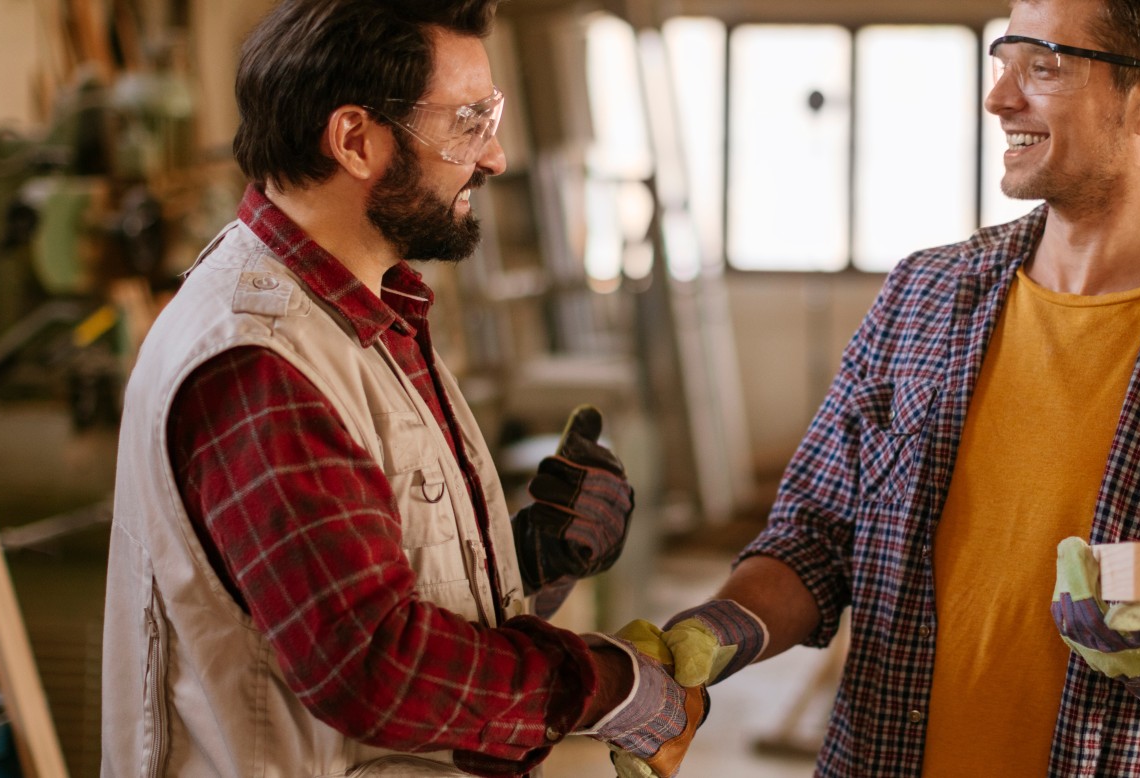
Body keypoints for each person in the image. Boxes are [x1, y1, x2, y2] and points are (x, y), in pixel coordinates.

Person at [626, 0, 1140, 775]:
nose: (1000, 98)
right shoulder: (924, 296)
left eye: (1044, 66)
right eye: (1004, 60)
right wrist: (708, 638)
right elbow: (812, 541)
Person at [100, 1, 702, 775]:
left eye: (493, 116)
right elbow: (373, 667)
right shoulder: (261, 361)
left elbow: (355, 588)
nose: (495, 157)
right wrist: (609, 686)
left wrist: (530, 562)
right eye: (467, 123)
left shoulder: (368, 310)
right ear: (354, 140)